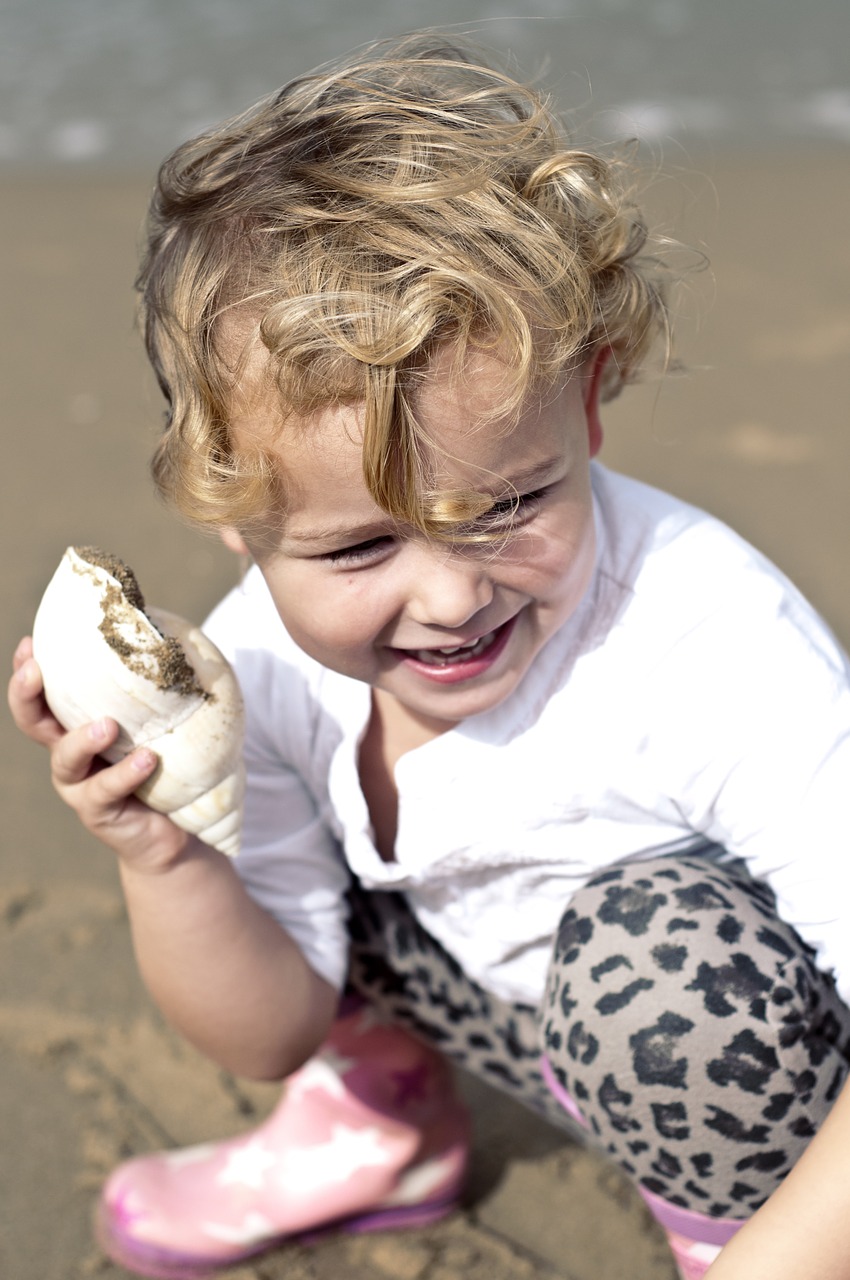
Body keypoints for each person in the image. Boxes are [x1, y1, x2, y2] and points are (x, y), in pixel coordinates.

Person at [9, 32, 850, 1280]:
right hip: (488, 994)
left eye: (509, 504)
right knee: (279, 858)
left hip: (718, 1044)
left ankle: (729, 1233)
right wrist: (163, 850)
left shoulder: (709, 643)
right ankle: (380, 1123)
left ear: (590, 398)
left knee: (661, 973)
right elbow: (270, 1023)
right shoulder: (265, 666)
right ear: (237, 518)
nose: (452, 596)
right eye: (359, 550)